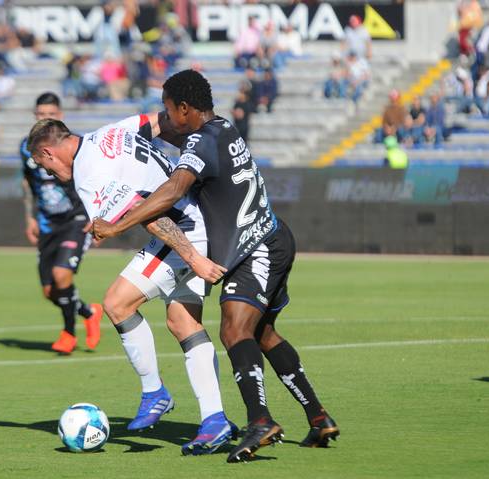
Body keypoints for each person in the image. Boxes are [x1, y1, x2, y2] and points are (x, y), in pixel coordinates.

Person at [91, 69, 339, 462]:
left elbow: (173, 188)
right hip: (269, 239)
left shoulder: (202, 142)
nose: (166, 117)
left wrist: (117, 225)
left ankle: (259, 422)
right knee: (263, 334)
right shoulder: (221, 129)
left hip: (256, 247)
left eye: (169, 110)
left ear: (185, 108)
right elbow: (178, 141)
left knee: (233, 329)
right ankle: (318, 416)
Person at [26, 111, 237, 455]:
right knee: (183, 322)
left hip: (183, 229)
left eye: (46, 167)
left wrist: (192, 257)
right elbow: (163, 121)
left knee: (117, 303)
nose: (50, 173)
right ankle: (215, 421)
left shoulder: (86, 174)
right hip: (200, 213)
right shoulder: (109, 131)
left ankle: (155, 392)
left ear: (48, 153)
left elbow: (145, 211)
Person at [19, 93, 103, 354]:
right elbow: (28, 183)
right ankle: (89, 312)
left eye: (50, 114)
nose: (45, 118)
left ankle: (68, 334)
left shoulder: (72, 147)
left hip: (76, 219)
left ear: (60, 117)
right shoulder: (27, 147)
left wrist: (99, 218)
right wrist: (30, 216)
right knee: (49, 291)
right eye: (40, 114)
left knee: (61, 274)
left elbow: (93, 182)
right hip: (47, 223)